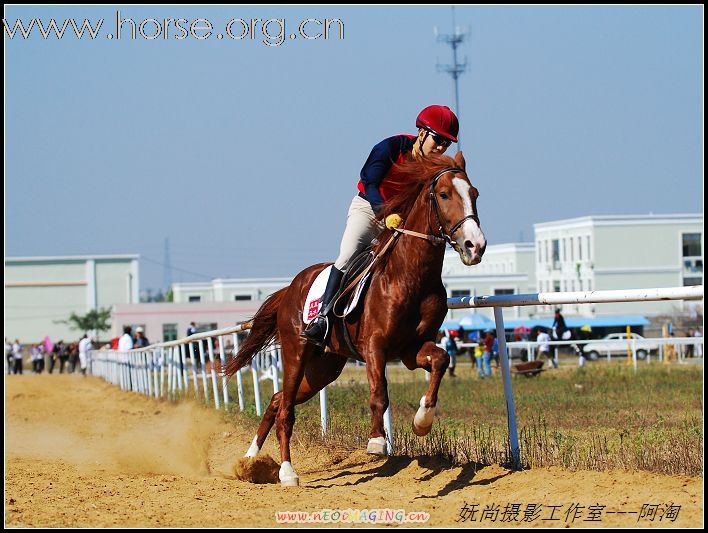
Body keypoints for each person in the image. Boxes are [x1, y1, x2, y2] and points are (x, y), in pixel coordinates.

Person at [301, 105, 460, 347]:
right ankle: (322, 318)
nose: (440, 147)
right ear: (421, 133)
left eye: (446, 144)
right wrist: (384, 213)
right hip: (368, 210)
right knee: (346, 256)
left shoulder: (433, 168)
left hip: (402, 220)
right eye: (438, 139)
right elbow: (370, 182)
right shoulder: (390, 147)